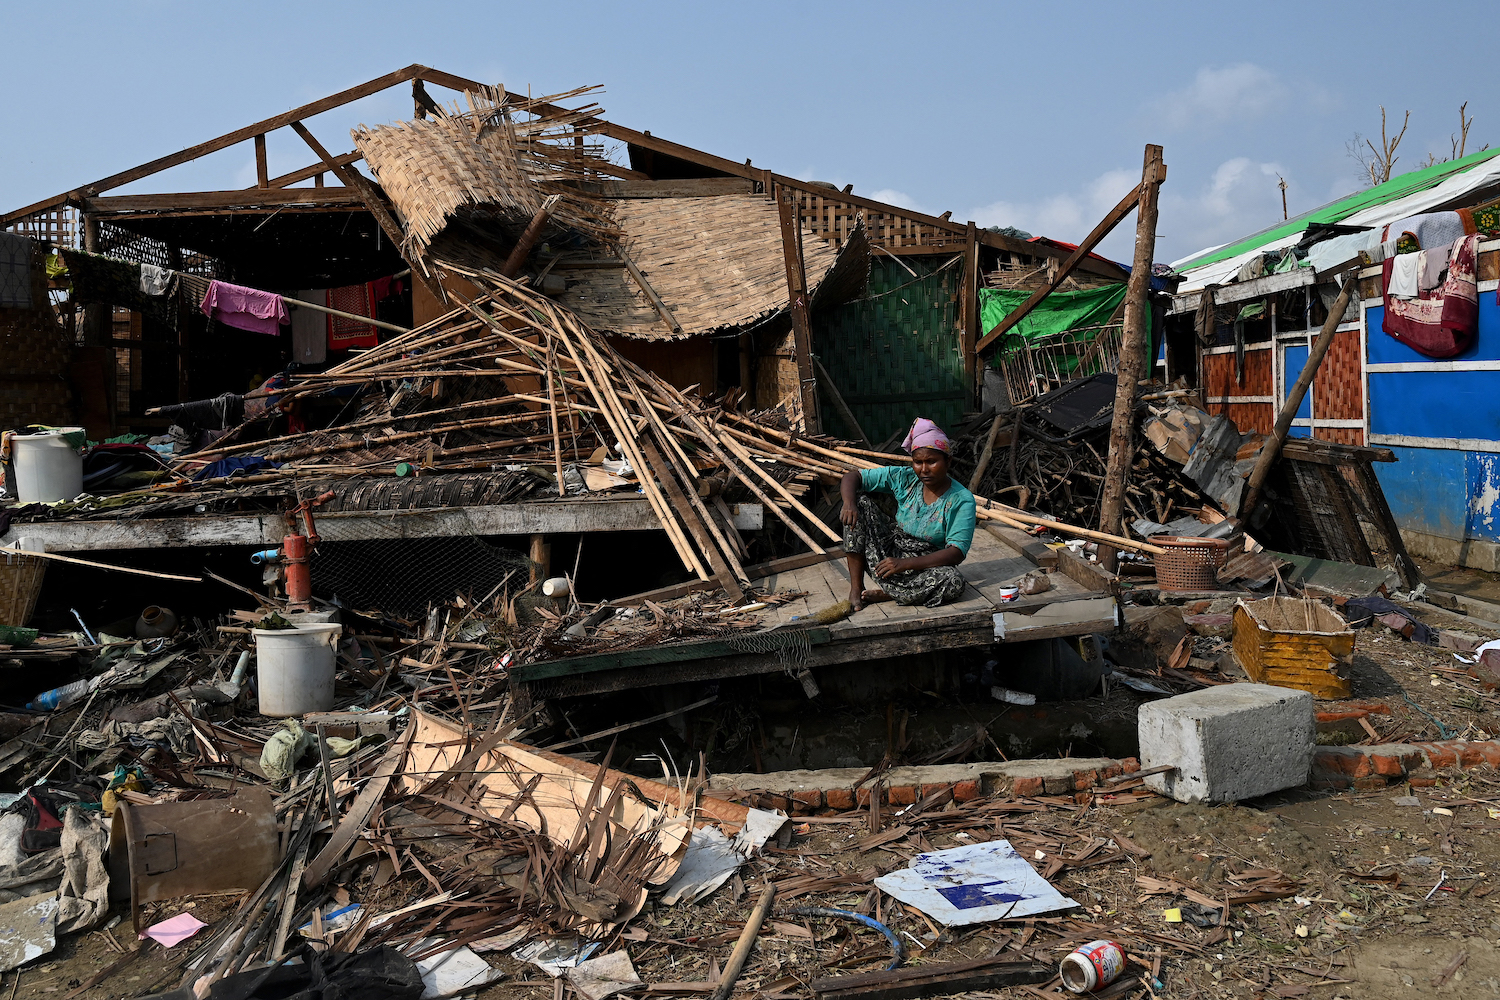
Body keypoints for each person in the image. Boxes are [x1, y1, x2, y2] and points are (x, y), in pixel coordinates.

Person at [839, 417, 976, 611]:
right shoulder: (904, 477)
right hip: (889, 554)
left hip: (925, 564)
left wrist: (905, 564)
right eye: (918, 462)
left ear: (948, 461)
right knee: (859, 504)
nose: (924, 469)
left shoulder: (961, 499)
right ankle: (856, 588)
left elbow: (956, 553)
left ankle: (891, 592)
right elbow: (853, 477)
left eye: (931, 462)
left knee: (953, 582)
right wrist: (849, 503)